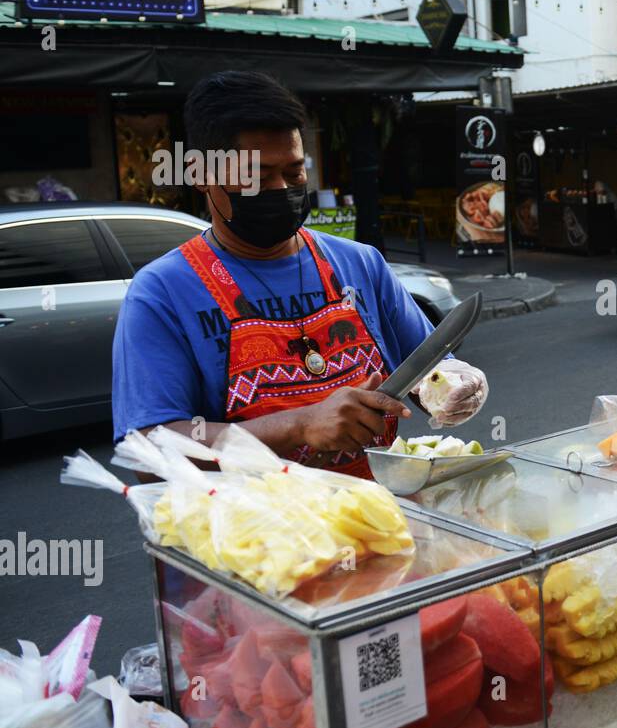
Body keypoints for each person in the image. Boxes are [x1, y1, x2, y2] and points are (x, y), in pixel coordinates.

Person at [112, 72, 487, 476]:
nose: (281, 189)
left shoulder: (359, 264)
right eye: (256, 177)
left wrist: (451, 382)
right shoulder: (163, 292)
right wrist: (298, 426)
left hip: (386, 518)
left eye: (294, 173)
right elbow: (147, 449)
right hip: (258, 532)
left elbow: (426, 367)